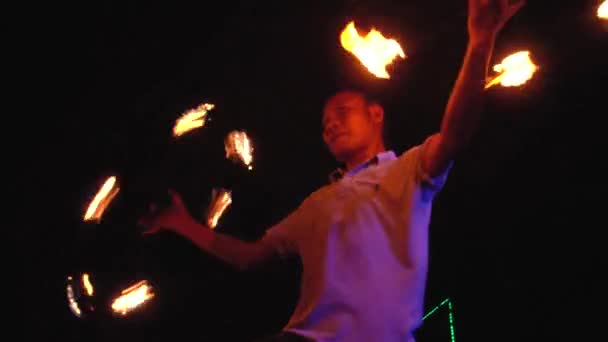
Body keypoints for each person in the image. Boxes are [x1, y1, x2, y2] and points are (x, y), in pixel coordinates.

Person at [139, 1, 525, 341]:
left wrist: (480, 41)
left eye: (342, 113)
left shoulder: (408, 170)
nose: (331, 125)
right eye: (325, 122)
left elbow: (455, 134)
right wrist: (183, 223)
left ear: (376, 115)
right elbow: (250, 256)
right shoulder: (315, 204)